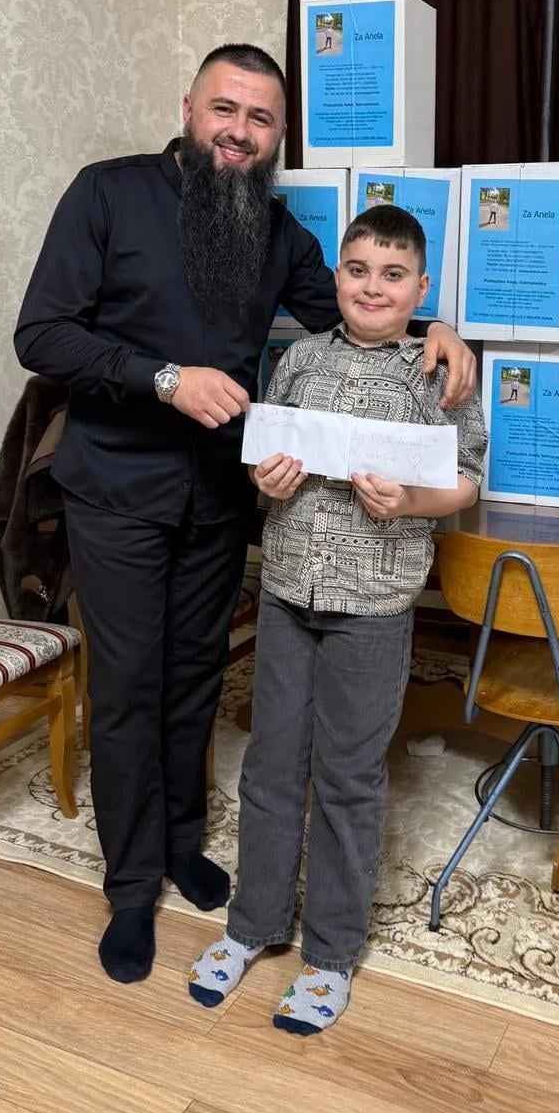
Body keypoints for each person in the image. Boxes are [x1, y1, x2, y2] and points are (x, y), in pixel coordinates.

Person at [13, 44, 475, 984]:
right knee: (129, 688)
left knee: (195, 677)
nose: (239, 131)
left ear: (277, 137)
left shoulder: (276, 233)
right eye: (225, 109)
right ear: (189, 108)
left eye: (260, 119)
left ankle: (182, 843)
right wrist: (166, 380)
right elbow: (41, 335)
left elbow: (357, 313)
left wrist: (441, 330)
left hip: (223, 494)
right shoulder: (106, 193)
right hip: (118, 490)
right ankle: (130, 885)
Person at [187, 204, 487, 1034]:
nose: (373, 287)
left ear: (420, 288)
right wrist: (265, 481)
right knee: (271, 766)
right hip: (288, 591)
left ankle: (329, 954)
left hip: (375, 603)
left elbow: (465, 478)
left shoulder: (440, 372)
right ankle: (253, 925)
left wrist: (410, 502)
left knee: (349, 777)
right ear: (337, 278)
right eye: (358, 271)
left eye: (393, 275)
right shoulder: (299, 360)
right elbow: (264, 455)